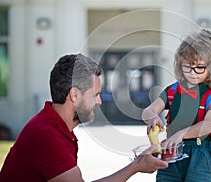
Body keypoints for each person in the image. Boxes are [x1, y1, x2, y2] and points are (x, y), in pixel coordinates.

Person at [0, 54, 168, 182]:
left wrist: (137, 164)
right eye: (95, 95)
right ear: (74, 95)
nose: (99, 101)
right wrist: (136, 166)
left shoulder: (57, 127)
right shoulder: (45, 135)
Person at [142, 29, 211, 182]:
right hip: (170, 152)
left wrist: (181, 134)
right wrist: (152, 117)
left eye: (200, 67)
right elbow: (147, 111)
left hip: (200, 155)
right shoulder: (173, 91)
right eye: (188, 67)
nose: (193, 73)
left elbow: (208, 125)